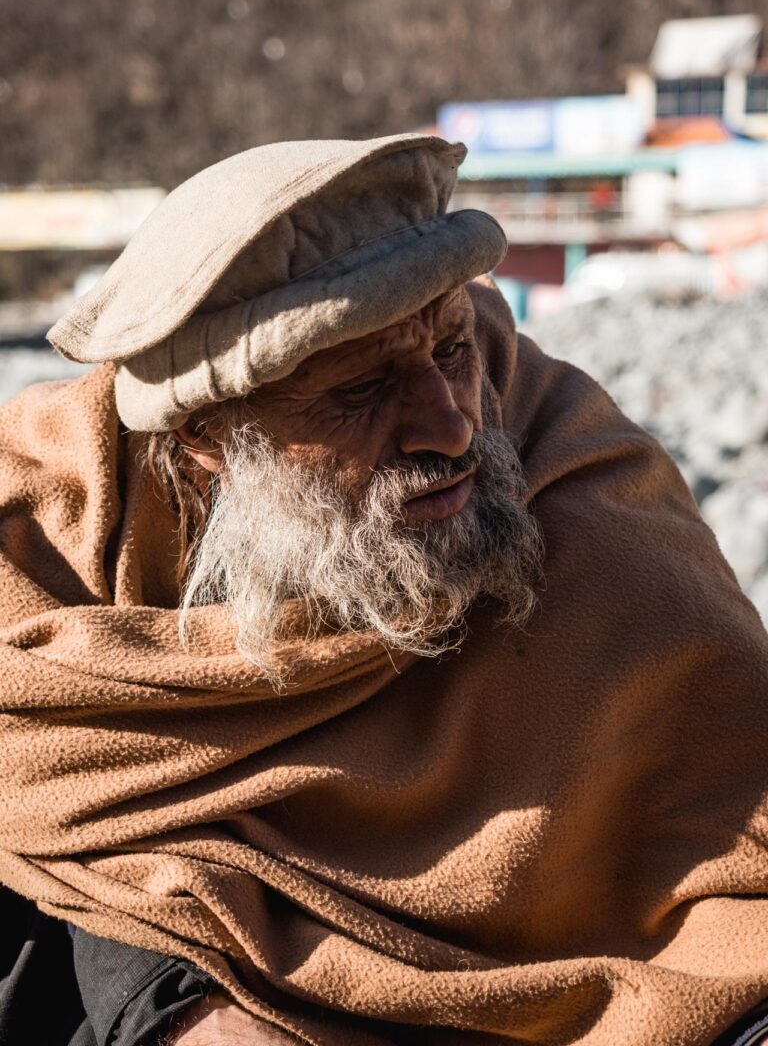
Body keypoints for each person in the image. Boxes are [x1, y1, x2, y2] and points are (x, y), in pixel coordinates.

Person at [0, 133, 767, 1046]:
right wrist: (180, 1006)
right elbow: (56, 792)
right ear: (208, 443)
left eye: (451, 348)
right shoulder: (54, 517)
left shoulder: (591, 498)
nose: (449, 426)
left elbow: (733, 839)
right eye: (362, 390)